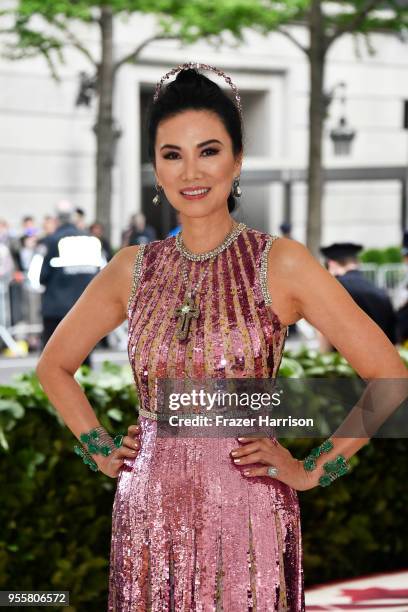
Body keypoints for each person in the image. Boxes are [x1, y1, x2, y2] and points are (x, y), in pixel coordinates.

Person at [35, 64, 408, 611]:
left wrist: (313, 469)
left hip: (249, 512)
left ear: (237, 160)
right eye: (171, 154)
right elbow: (53, 366)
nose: (191, 170)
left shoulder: (281, 263)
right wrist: (100, 449)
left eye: (208, 151)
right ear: (156, 168)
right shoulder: (129, 268)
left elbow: (391, 380)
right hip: (147, 514)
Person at [37, 200, 102, 367]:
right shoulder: (90, 240)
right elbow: (99, 272)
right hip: (84, 307)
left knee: (53, 362)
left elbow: (42, 276)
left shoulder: (52, 241)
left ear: (57, 220)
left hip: (57, 309)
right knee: (83, 358)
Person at [319, 242, 397, 351]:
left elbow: (325, 333)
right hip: (379, 361)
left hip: (343, 362)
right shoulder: (379, 291)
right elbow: (393, 337)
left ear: (332, 264)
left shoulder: (333, 291)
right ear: (358, 263)